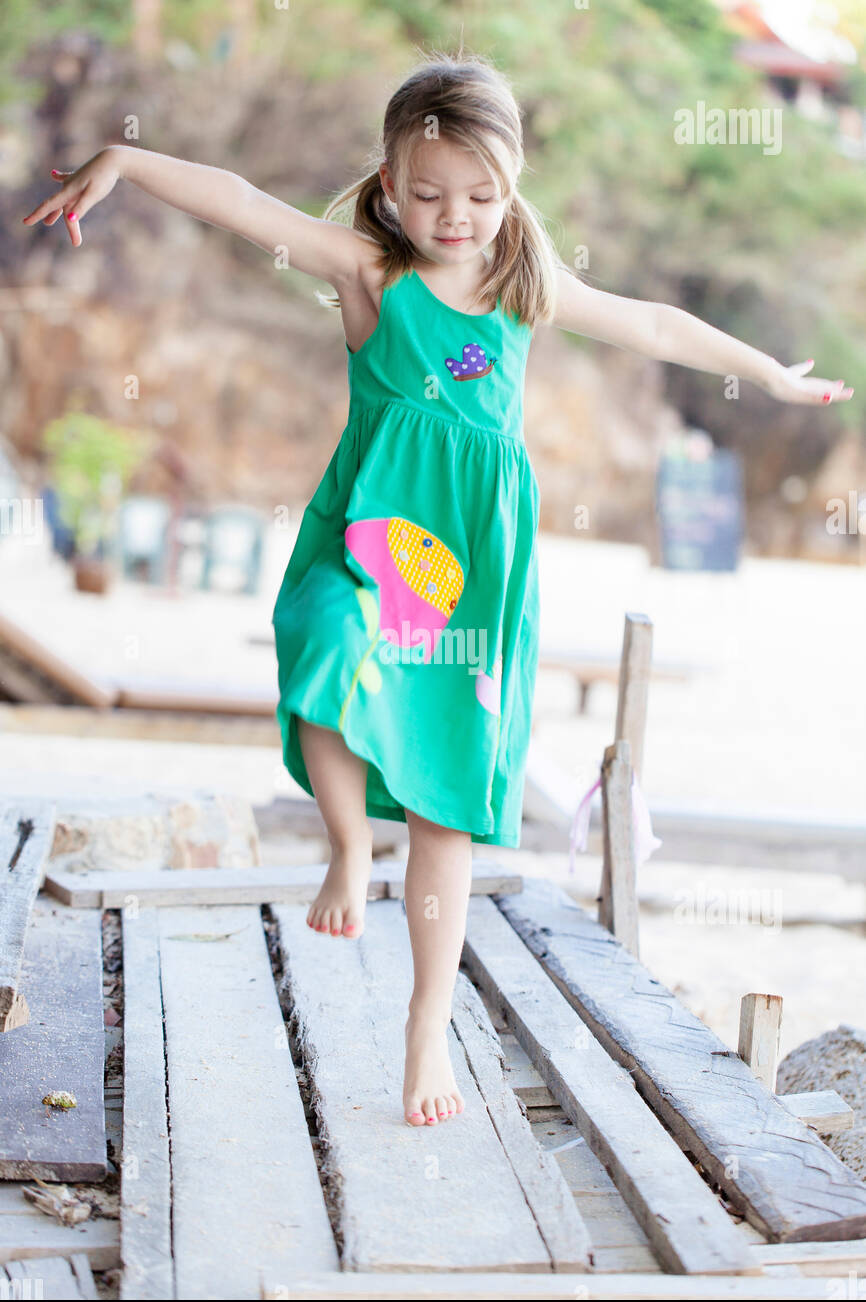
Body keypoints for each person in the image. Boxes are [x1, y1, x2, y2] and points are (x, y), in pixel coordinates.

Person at [23, 49, 853, 1131]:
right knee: (322, 648)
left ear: (512, 188)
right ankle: (340, 843)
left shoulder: (523, 288)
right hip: (372, 532)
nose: (452, 215)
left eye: (479, 195)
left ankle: (425, 1021)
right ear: (386, 181)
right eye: (425, 194)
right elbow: (238, 201)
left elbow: (652, 323)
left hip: (469, 570)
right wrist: (125, 159)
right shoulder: (370, 275)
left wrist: (775, 375)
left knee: (444, 796)